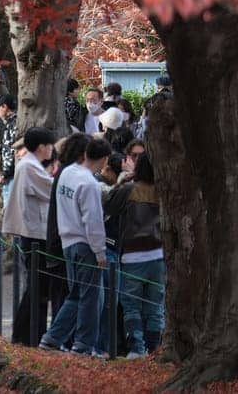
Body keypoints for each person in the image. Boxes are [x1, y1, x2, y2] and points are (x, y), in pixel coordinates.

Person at [42, 137, 112, 355]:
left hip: (67, 241)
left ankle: (52, 337)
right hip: (85, 244)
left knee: (76, 294)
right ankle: (83, 345)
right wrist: (100, 251)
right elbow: (93, 221)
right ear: (103, 159)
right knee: (90, 297)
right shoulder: (89, 183)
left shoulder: (67, 173)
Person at [105, 151, 163, 357]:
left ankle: (136, 347)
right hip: (158, 255)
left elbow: (109, 202)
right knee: (155, 305)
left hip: (132, 255)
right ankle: (154, 348)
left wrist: (121, 182)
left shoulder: (130, 190)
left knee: (131, 305)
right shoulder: (164, 191)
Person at [5, 127, 58, 345]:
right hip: (35, 233)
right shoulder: (29, 167)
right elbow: (52, 190)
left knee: (37, 287)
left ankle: (29, 334)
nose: (52, 149)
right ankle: (27, 335)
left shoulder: (30, 165)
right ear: (41, 147)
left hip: (35, 231)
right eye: (50, 145)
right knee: (37, 287)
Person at [0, 95, 19, 212]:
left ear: (4, 107)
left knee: (10, 213)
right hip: (11, 174)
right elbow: (8, 149)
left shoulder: (13, 124)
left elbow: (13, 151)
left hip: (12, 175)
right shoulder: (11, 123)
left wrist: (5, 174)